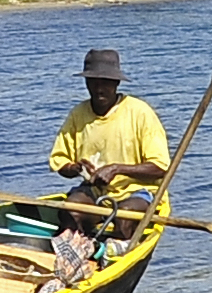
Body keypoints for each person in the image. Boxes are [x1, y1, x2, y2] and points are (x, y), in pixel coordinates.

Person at [52, 47, 174, 193]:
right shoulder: (78, 114)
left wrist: (116, 169)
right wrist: (76, 168)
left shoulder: (140, 112)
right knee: (73, 211)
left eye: (105, 82)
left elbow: (160, 168)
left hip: (138, 192)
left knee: (126, 213)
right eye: (93, 82)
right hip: (94, 190)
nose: (99, 89)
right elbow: (60, 162)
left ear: (116, 83)